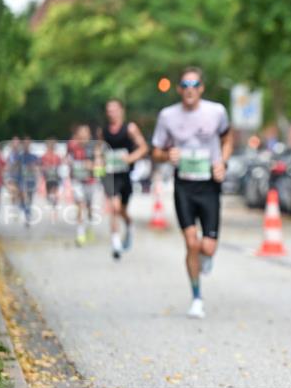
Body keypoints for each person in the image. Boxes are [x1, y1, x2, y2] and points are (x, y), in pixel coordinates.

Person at [151, 66, 233, 319]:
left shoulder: (216, 111)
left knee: (207, 247)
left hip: (209, 185)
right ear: (178, 90)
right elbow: (155, 151)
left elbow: (227, 138)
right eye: (184, 86)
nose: (189, 90)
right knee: (190, 243)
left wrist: (223, 163)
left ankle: (206, 256)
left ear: (201, 88)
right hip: (184, 184)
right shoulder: (167, 116)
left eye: (194, 85)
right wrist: (167, 155)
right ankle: (197, 297)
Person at [99, 99, 148, 260]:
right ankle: (115, 243)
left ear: (121, 111)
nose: (111, 113)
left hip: (125, 175)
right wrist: (98, 161)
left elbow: (143, 148)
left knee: (122, 210)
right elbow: (99, 150)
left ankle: (129, 224)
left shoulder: (130, 128)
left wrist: (130, 158)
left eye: (114, 109)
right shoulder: (104, 131)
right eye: (108, 110)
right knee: (113, 207)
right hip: (110, 174)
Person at [67, 124, 99, 246]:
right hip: (77, 181)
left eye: (85, 133)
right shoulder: (72, 146)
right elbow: (68, 159)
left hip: (90, 181)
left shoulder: (93, 147)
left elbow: (100, 167)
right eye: (81, 133)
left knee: (90, 207)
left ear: (89, 135)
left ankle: (89, 225)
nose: (83, 136)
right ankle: (80, 234)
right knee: (80, 204)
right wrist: (69, 164)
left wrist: (92, 166)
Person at [14, 137, 40, 226]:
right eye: (25, 144)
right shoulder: (20, 156)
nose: (26, 146)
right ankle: (25, 211)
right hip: (22, 180)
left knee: (29, 199)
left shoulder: (34, 157)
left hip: (31, 181)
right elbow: (16, 167)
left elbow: (38, 168)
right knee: (23, 197)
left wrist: (34, 169)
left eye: (28, 144)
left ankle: (27, 214)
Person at [40, 139, 64, 219]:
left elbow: (60, 164)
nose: (51, 148)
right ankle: (52, 204)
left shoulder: (56, 156)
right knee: (49, 193)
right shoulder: (44, 156)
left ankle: (54, 207)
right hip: (47, 178)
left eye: (52, 146)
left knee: (54, 192)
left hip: (55, 177)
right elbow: (41, 166)